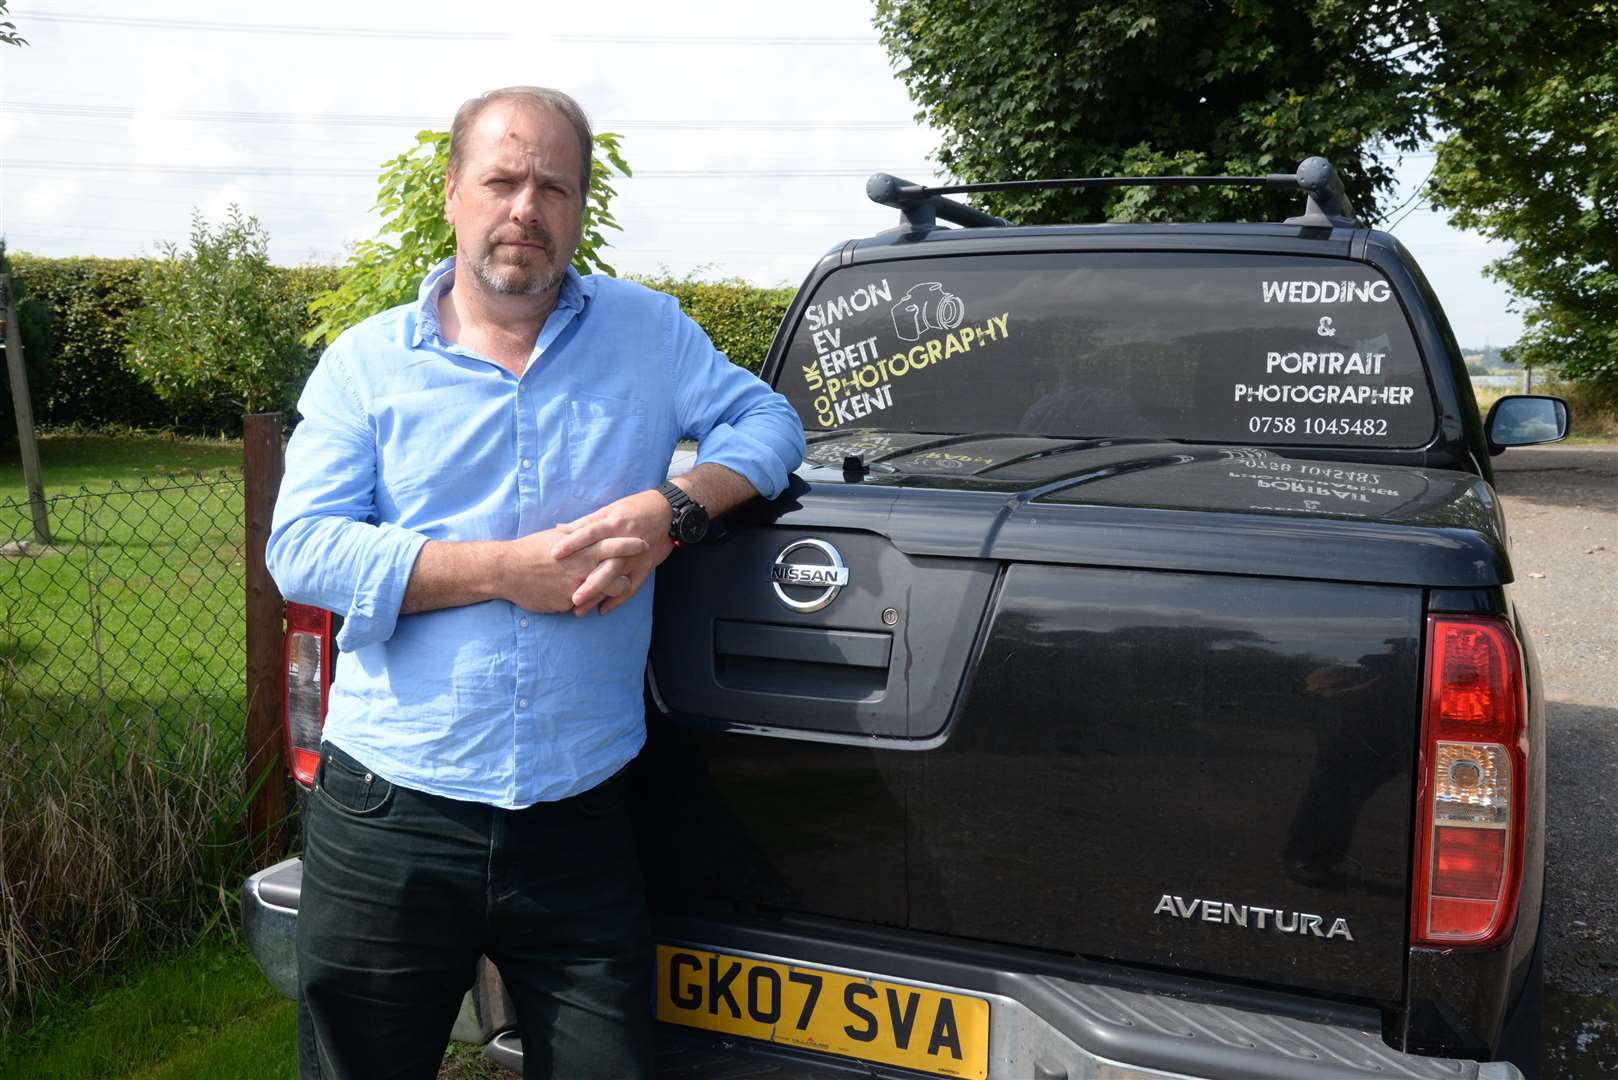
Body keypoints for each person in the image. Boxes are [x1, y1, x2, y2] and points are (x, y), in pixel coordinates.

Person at [265, 85, 805, 1080]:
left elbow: (769, 425)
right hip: (393, 813)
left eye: (552, 187)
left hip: (581, 814)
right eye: (502, 180)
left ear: (579, 207)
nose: (526, 208)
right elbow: (301, 550)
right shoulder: (367, 364)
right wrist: (505, 574)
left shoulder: (648, 334)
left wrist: (673, 511)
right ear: (452, 195)